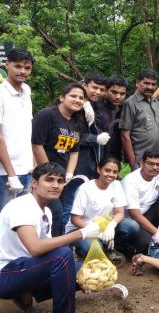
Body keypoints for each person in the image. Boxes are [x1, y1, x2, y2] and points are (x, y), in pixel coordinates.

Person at [0, 162, 100, 313]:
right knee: (62, 256)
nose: (56, 185)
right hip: (6, 274)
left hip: (29, 268)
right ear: (34, 183)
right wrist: (82, 233)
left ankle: (25, 295)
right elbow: (36, 248)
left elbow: (47, 247)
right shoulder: (22, 206)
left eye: (60, 181)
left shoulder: (46, 211)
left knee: (88, 270)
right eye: (49, 180)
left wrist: (76, 277)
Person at [32, 83, 86, 236]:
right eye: (73, 96)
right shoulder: (47, 115)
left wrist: (68, 174)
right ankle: (55, 248)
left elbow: (74, 152)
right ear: (62, 97)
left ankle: (59, 247)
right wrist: (48, 173)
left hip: (63, 178)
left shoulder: (76, 122)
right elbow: (36, 145)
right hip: (44, 175)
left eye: (81, 98)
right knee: (55, 211)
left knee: (63, 213)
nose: (77, 100)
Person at [65, 158, 139, 263]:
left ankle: (108, 248)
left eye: (115, 172)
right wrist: (96, 231)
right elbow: (75, 219)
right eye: (107, 170)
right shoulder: (85, 189)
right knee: (90, 248)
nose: (111, 174)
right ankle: (80, 250)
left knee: (132, 226)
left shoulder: (116, 185)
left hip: (104, 224)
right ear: (99, 170)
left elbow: (120, 212)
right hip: (81, 227)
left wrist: (111, 225)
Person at [0, 49, 34, 210]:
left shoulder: (26, 91)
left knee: (22, 222)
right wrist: (11, 175)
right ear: (7, 65)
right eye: (17, 66)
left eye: (27, 68)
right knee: (4, 223)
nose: (22, 71)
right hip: (5, 173)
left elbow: (26, 130)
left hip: (27, 169)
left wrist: (33, 163)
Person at [119, 69, 159, 170]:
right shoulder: (130, 103)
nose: (150, 87)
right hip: (141, 160)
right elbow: (125, 135)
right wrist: (133, 163)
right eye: (146, 83)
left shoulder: (156, 102)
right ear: (137, 83)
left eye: (153, 84)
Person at [75, 72, 109, 179]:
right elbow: (73, 135)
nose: (98, 92)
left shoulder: (98, 103)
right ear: (84, 86)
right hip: (77, 161)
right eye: (94, 87)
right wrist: (96, 139)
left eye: (102, 89)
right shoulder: (74, 105)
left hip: (95, 160)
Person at [94, 74, 128, 161]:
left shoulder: (125, 108)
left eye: (122, 94)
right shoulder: (95, 107)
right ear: (106, 90)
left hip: (115, 158)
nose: (118, 97)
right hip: (95, 155)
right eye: (114, 92)